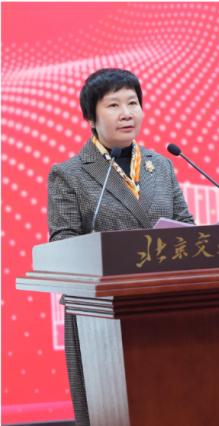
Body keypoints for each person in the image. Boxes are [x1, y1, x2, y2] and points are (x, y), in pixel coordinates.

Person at [48, 68, 194, 424]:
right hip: (102, 315)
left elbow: (187, 228)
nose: (127, 113)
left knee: (172, 405)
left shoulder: (162, 166)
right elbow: (62, 243)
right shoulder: (69, 174)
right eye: (113, 105)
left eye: (132, 103)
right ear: (91, 118)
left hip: (166, 305)